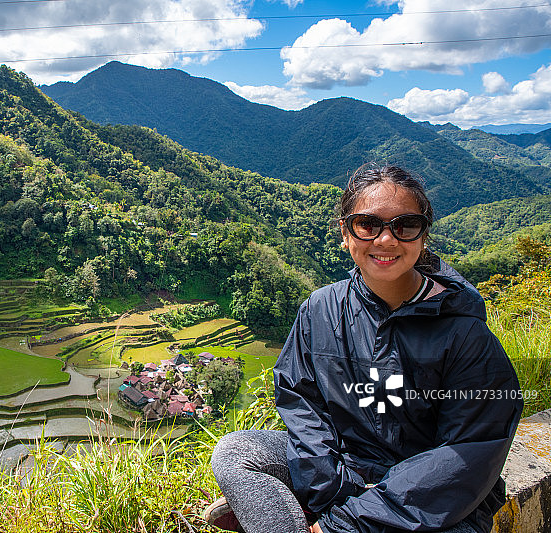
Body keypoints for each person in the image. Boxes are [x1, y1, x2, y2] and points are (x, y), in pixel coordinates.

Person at [206, 164, 523, 533]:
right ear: (345, 232)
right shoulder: (321, 309)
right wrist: (330, 487)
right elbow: (301, 400)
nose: (386, 240)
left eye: (404, 226)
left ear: (423, 236)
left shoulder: (464, 333)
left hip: (430, 496)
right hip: (345, 466)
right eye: (368, 225)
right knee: (237, 452)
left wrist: (346, 522)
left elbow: (465, 456)